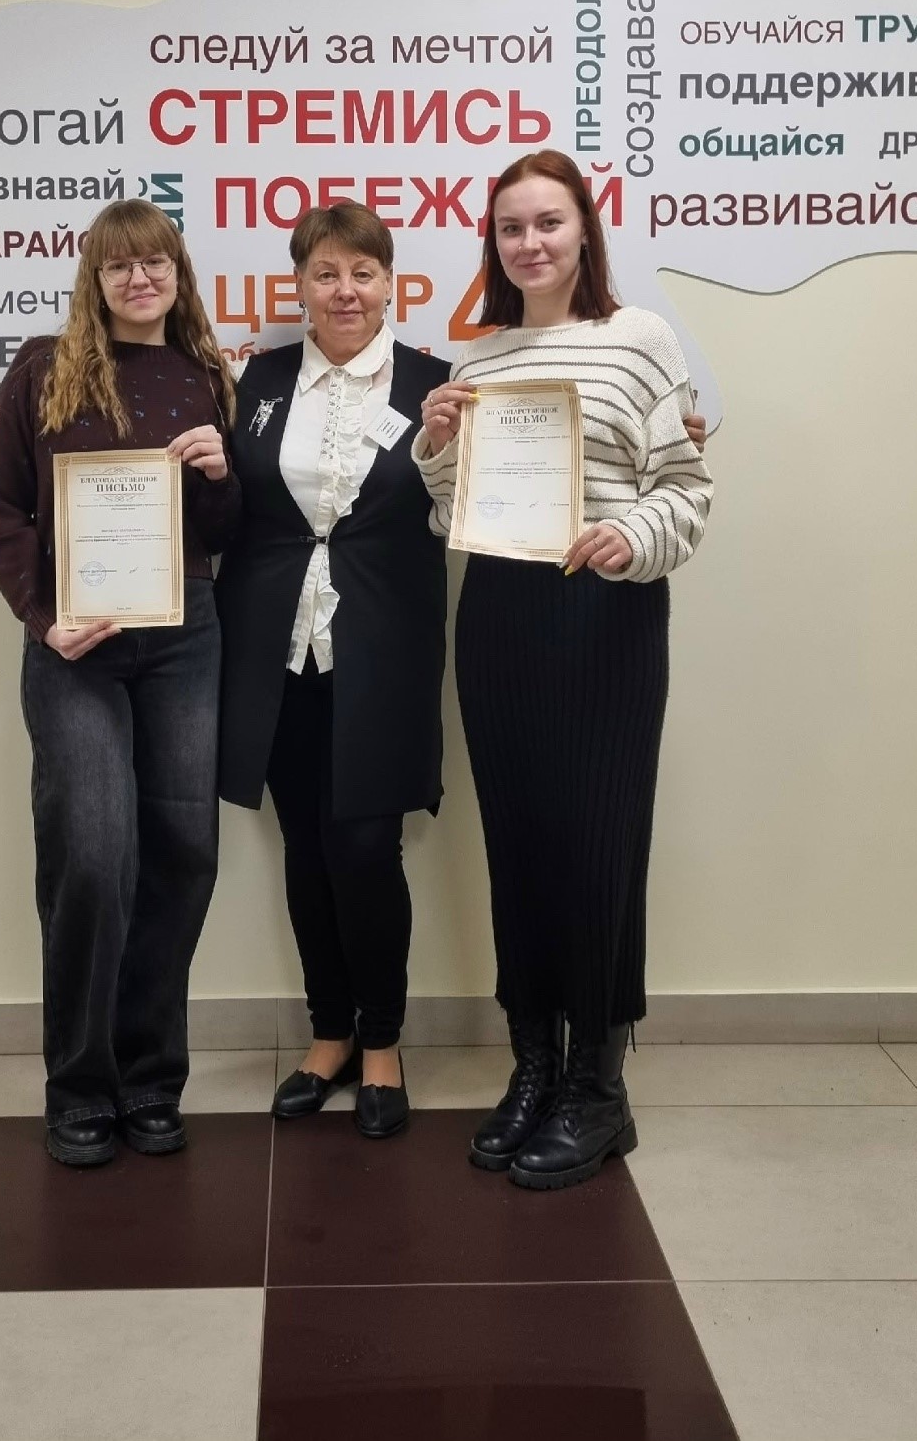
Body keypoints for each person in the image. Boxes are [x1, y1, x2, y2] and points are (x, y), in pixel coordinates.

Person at [415, 150, 713, 1190]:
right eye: (510, 227)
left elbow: (684, 488)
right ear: (491, 245)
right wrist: (436, 445)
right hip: (499, 617)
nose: (530, 242)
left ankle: (598, 1087)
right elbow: (452, 513)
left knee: (597, 848)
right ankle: (533, 1065)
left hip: (603, 615)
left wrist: (629, 535)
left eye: (548, 221)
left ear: (584, 229)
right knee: (520, 845)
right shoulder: (482, 360)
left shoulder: (639, 341)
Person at [0, 201, 240, 1169]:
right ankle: (80, 1086)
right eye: (119, 265)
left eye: (155, 262)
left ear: (178, 274)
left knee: (181, 851)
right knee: (90, 851)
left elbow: (223, 533)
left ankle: (151, 1078)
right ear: (94, 277)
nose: (139, 279)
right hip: (74, 645)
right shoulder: (42, 369)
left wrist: (222, 474)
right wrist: (43, 616)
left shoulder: (206, 375)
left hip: (183, 636)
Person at [216, 203, 452, 1139]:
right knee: (306, 849)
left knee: (364, 849)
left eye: (362, 272)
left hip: (383, 653)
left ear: (390, 283)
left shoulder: (437, 386)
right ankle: (329, 1034)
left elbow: (471, 505)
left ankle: (383, 1041)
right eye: (325, 273)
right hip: (276, 652)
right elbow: (229, 505)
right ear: (301, 287)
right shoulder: (260, 382)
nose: (344, 290)